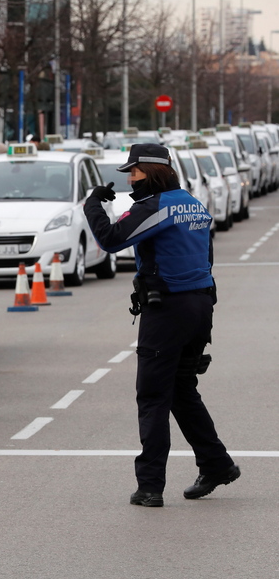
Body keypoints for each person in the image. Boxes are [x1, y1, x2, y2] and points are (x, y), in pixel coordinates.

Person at [83, 143, 239, 508]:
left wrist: (93, 204)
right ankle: (217, 464)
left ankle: (150, 486)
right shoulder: (192, 203)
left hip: (168, 310)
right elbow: (207, 254)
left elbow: (111, 239)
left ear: (152, 171)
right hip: (200, 306)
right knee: (182, 391)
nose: (130, 179)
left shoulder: (156, 207)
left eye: (134, 172)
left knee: (153, 396)